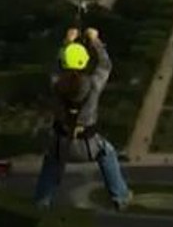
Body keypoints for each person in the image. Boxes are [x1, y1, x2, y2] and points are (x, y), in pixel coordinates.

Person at [33, 26, 133, 211]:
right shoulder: (93, 85)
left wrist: (68, 41)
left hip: (61, 143)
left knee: (51, 161)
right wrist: (95, 40)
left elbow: (55, 65)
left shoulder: (56, 83)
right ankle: (120, 196)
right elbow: (105, 65)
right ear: (85, 62)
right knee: (108, 154)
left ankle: (42, 200)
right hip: (89, 145)